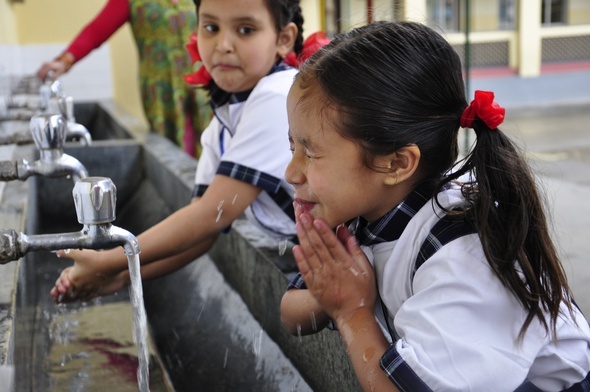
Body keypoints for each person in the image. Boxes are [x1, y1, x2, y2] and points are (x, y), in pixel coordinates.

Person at [280, 21, 590, 391]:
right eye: (291, 147)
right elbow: (290, 313)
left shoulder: (463, 255)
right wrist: (331, 292)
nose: (290, 172)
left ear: (396, 164)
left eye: (310, 152)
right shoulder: (362, 211)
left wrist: (351, 310)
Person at [50, 0, 307, 302]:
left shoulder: (278, 96)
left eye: (245, 30)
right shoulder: (224, 121)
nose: (223, 45)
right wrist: (121, 276)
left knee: (293, 311)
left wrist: (106, 261)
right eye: (211, 27)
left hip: (364, 258)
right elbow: (203, 232)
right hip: (320, 253)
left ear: (283, 39)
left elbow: (210, 214)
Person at [35, 0, 211, 157]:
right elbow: (96, 30)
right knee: (174, 152)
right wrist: (65, 61)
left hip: (204, 87)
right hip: (161, 92)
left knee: (211, 146)